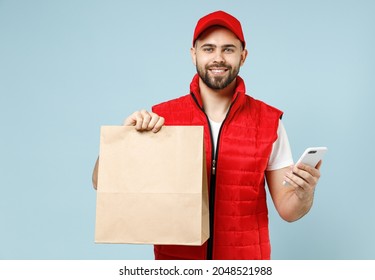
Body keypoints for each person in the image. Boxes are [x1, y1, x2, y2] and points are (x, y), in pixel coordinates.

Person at [92, 10, 322, 260]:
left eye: (228, 49)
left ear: (243, 56)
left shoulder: (268, 121)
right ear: (194, 54)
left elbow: (289, 211)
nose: (218, 58)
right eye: (209, 49)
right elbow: (100, 182)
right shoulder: (163, 118)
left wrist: (304, 193)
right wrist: (125, 140)